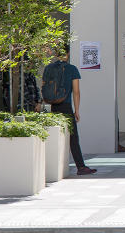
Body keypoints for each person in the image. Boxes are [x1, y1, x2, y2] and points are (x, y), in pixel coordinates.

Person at [42, 44, 97, 175]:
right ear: (69, 53)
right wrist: (76, 110)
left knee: (56, 135)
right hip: (66, 106)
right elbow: (76, 92)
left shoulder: (48, 68)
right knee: (73, 137)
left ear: (56, 53)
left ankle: (54, 166)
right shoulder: (72, 69)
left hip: (53, 105)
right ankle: (81, 167)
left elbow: (44, 86)